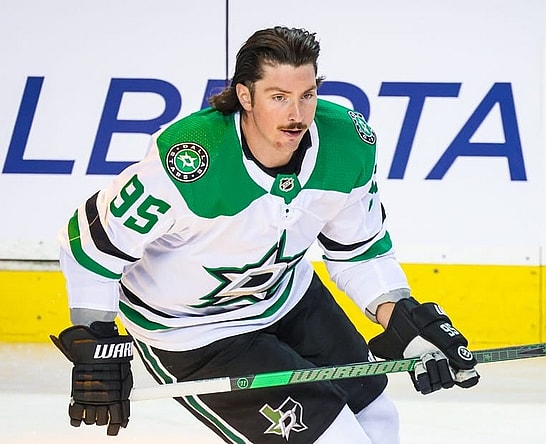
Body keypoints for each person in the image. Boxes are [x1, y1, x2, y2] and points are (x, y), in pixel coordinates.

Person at [50, 26, 479, 443]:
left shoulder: (346, 142)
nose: (297, 115)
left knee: (379, 420)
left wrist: (403, 319)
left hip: (288, 298)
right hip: (196, 332)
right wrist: (98, 341)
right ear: (245, 96)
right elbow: (92, 247)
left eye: (307, 95)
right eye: (279, 98)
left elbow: (359, 251)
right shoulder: (190, 159)